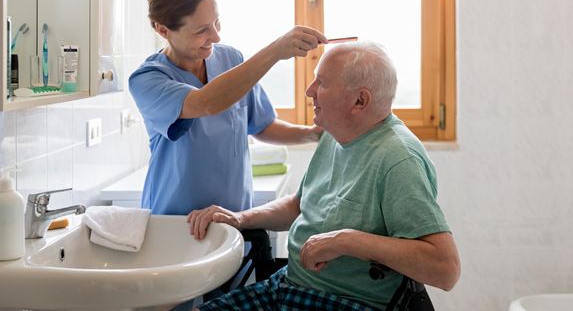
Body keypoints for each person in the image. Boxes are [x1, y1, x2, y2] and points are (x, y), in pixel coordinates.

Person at [189, 42, 461, 310]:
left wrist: (347, 241)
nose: (309, 91)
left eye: (321, 83)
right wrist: (241, 218)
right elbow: (300, 205)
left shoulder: (398, 160)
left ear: (360, 101)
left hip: (342, 301)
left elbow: (446, 270)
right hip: (289, 286)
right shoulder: (335, 133)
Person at [128, 0, 327, 216]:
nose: (216, 37)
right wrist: (276, 51)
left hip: (234, 218)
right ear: (163, 30)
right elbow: (206, 103)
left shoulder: (231, 60)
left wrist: (312, 135)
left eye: (216, 23)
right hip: (175, 223)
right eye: (202, 30)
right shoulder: (148, 80)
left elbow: (261, 125)